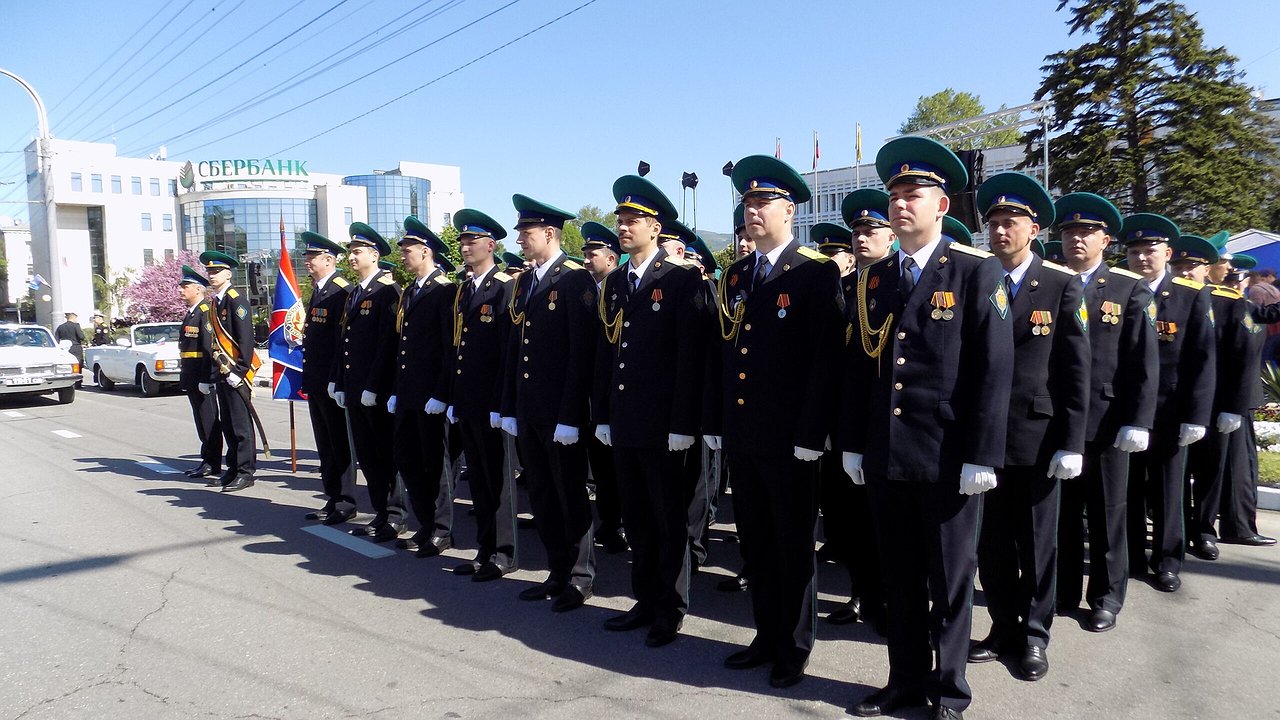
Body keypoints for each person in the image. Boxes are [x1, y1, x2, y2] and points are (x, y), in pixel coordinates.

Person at [841, 136, 1013, 719]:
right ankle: (904, 680)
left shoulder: (975, 271)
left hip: (948, 455)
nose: (900, 205)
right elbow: (864, 370)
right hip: (889, 453)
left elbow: (994, 370)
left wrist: (982, 455)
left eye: (913, 194)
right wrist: (856, 444)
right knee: (900, 579)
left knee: (950, 581)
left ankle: (951, 690)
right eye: (895, 195)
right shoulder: (876, 277)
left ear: (942, 206)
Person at [705, 154, 843, 689]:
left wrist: (812, 434)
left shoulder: (814, 272)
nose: (753, 211)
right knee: (755, 542)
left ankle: (794, 646)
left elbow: (823, 361)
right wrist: (720, 420)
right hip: (745, 433)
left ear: (789, 211)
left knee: (790, 545)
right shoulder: (737, 274)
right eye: (748, 203)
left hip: (791, 440)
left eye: (764, 203)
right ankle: (765, 634)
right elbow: (728, 354)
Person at [967, 173, 1089, 683]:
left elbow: (1076, 367)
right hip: (984, 439)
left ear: (1034, 229)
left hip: (1038, 438)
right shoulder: (976, 279)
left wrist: (1073, 441)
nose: (999, 230)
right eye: (992, 222)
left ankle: (1035, 636)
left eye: (1010, 222)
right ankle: (1001, 626)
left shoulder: (1062, 285)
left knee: (1038, 543)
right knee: (990, 543)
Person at [593, 175, 702, 647]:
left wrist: (683, 423)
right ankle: (644, 599)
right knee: (636, 516)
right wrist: (602, 413)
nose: (623, 226)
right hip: (625, 419)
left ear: (655, 228)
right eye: (620, 219)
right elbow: (607, 351)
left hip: (663, 424)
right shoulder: (616, 281)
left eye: (632, 219)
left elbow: (689, 356)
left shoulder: (679, 280)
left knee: (666, 518)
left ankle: (670, 607)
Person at [1055, 192, 1158, 633]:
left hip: (1106, 418)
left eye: (1087, 232)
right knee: (1059, 513)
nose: (1077, 238)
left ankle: (1106, 595)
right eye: (1070, 231)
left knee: (1107, 511)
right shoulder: (1050, 280)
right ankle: (1060, 590)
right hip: (1054, 418)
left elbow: (1143, 360)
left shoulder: (1126, 288)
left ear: (1106, 240)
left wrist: (1139, 419)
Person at [499, 194, 598, 613]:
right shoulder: (525, 282)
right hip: (530, 410)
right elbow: (515, 348)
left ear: (549, 234)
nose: (520, 239)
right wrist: (508, 405)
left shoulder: (574, 279)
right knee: (541, 495)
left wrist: (571, 415)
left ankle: (580, 577)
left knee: (569, 495)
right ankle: (557, 571)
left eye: (526, 232)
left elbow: (582, 354)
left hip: (561, 415)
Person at [1123, 213, 1216, 593]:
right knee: (1126, 491)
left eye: (1150, 251)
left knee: (1167, 490)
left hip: (1169, 411)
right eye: (1135, 251)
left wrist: (1197, 415)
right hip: (1124, 411)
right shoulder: (1119, 289)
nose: (1142, 258)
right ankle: (1130, 556)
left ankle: (1167, 560)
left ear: (1167, 253)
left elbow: (1203, 359)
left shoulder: (1190, 295)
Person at [448, 208, 520, 581]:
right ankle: (485, 548)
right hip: (468, 400)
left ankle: (504, 553)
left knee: (499, 480)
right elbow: (458, 348)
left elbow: (508, 352)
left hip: (492, 402)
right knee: (477, 478)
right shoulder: (465, 289)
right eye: (462, 241)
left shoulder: (505, 286)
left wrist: (502, 403)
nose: (464, 247)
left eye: (471, 241)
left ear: (491, 245)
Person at [331, 222, 404, 541]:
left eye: (357, 251)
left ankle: (396, 514)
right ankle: (379, 512)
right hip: (355, 387)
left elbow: (388, 344)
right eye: (350, 252)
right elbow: (345, 341)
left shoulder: (388, 291)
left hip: (375, 390)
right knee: (368, 456)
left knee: (385, 454)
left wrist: (374, 386)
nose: (351, 257)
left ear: (374, 255)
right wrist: (339, 380)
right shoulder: (355, 292)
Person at [389, 216, 457, 555]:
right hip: (408, 394)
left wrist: (442, 393)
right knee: (408, 458)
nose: (403, 255)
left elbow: (449, 347)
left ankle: (442, 530)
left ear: (426, 251)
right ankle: (425, 523)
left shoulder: (445, 290)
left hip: (431, 395)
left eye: (408, 249)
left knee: (437, 464)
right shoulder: (411, 291)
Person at [302, 231, 358, 525]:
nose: (308, 262)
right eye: (307, 257)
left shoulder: (341, 290)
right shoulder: (320, 289)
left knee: (339, 443)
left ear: (328, 259)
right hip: (317, 379)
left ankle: (347, 500)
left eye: (312, 257)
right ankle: (333, 496)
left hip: (331, 381)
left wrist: (337, 379)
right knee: (325, 443)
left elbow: (341, 342)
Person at [581, 221, 628, 555]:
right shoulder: (585, 291)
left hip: (618, 397)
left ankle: (620, 525)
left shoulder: (619, 289)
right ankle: (608, 523)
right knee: (601, 469)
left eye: (592, 253)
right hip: (590, 398)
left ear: (611, 259)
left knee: (619, 470)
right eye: (583, 253)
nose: (586, 259)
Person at [201, 250, 259, 493]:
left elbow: (246, 339)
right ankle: (233, 468)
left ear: (228, 273)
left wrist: (241, 369)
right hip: (223, 372)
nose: (212, 276)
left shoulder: (236, 299)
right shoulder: (216, 301)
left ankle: (246, 472)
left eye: (217, 272)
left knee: (241, 425)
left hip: (236, 372)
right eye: (210, 272)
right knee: (228, 424)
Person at [176, 265, 222, 480]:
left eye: (185, 287)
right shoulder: (192, 313)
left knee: (209, 419)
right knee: (201, 419)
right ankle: (207, 459)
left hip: (201, 374)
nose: (181, 290)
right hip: (191, 373)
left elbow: (208, 348)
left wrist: (207, 378)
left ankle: (212, 462)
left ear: (198, 289)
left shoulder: (205, 312)